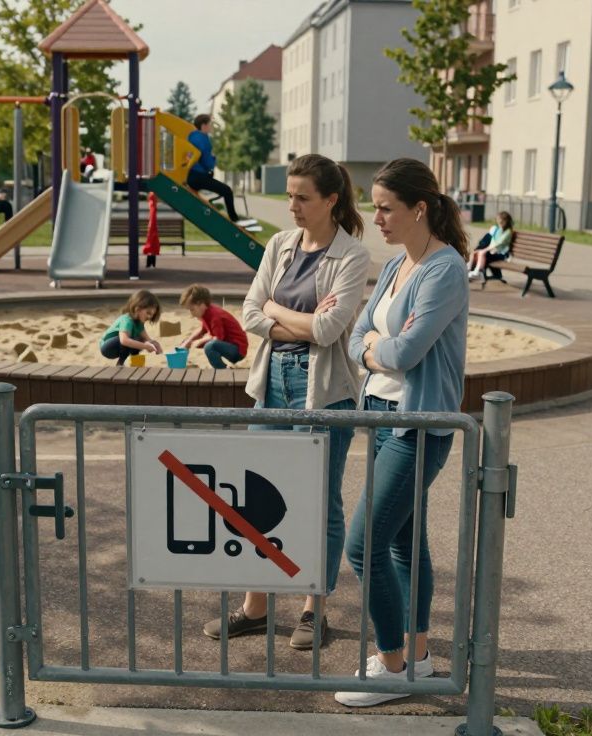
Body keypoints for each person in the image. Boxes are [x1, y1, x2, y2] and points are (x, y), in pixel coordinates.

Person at [202, 153, 370, 651]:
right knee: (257, 496)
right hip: (271, 380)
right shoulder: (279, 245)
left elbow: (327, 329)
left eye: (303, 198)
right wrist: (283, 312)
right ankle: (255, 607)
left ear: (331, 200)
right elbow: (251, 312)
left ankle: (312, 609)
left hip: (323, 389)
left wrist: (277, 312)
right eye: (291, 195)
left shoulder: (352, 255)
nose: (292, 205)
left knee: (319, 501)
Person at [335, 158, 469, 707]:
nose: (377, 217)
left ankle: (392, 668)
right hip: (385, 422)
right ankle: (417, 657)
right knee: (406, 547)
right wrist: (373, 351)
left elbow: (407, 352)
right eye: (374, 205)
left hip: (418, 426)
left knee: (364, 545)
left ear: (419, 208)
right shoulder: (397, 267)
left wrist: (371, 351)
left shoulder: (444, 270)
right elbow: (357, 334)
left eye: (386, 207)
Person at [187, 114, 255, 227]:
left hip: (192, 175)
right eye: (210, 124)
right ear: (203, 126)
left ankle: (233, 217)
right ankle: (235, 219)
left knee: (222, 190)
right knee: (227, 191)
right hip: (198, 177)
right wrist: (213, 159)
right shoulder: (203, 139)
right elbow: (208, 162)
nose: (211, 127)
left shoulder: (193, 136)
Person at [178, 284, 249, 369]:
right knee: (192, 342)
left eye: (192, 309)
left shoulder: (215, 316)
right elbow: (202, 330)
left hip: (238, 350)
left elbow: (218, 338)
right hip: (227, 345)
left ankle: (222, 369)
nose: (191, 313)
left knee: (209, 346)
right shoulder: (205, 313)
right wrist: (188, 341)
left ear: (202, 304)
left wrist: (199, 341)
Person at [100, 290, 163, 365]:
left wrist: (155, 346)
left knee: (139, 340)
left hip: (119, 346)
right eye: (148, 313)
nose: (149, 317)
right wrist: (145, 346)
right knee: (132, 340)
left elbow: (148, 340)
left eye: (152, 315)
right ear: (137, 309)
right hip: (107, 347)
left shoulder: (139, 324)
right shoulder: (127, 320)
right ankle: (120, 363)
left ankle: (136, 363)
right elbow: (124, 340)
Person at [468, 210, 513, 281]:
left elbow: (498, 243)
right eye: (499, 221)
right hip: (493, 251)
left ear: (506, 221)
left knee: (482, 252)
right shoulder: (498, 230)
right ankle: (469, 269)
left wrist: (486, 249)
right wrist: (488, 249)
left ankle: (478, 272)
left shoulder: (508, 232)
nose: (499, 222)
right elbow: (492, 242)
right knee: (475, 252)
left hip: (501, 254)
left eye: (501, 221)